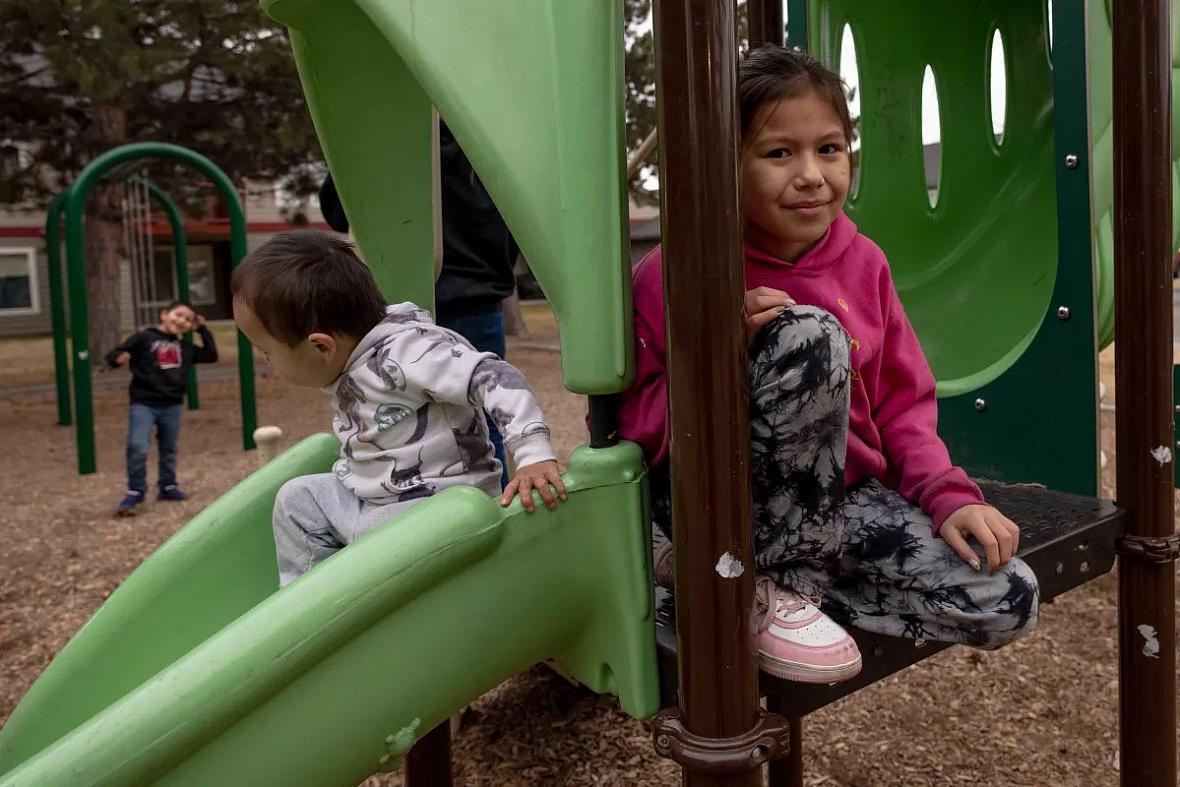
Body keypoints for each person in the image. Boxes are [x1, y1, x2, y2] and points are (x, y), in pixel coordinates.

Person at [618, 46, 1039, 684]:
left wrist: (946, 494)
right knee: (807, 335)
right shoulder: (677, 272)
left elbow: (901, 403)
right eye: (778, 153)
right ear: (724, 166)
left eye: (830, 148)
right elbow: (634, 425)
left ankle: (728, 592)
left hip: (838, 504)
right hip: (717, 502)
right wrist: (714, 357)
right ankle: (772, 586)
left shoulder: (864, 261)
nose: (812, 174)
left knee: (1008, 596)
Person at [232, 230, 565, 587]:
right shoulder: (351, 357)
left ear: (321, 346)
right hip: (375, 502)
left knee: (376, 537)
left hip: (442, 505)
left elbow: (494, 375)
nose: (266, 362)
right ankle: (303, 602)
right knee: (297, 498)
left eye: (266, 351)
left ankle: (348, 602)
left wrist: (532, 454)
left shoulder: (408, 354)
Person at [318, 121, 518, 486]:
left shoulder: (384, 134)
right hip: (473, 289)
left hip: (405, 297)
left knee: (393, 416)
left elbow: (338, 207)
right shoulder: (481, 134)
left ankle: (409, 493)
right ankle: (488, 498)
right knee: (483, 413)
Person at [105, 300, 217, 516]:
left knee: (169, 448)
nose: (182, 321)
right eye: (178, 315)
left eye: (188, 319)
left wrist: (202, 329)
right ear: (165, 315)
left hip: (172, 404)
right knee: (138, 446)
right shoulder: (145, 337)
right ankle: (135, 490)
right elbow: (116, 354)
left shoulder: (185, 347)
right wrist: (117, 359)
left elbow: (211, 355)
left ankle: (167, 486)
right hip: (143, 403)